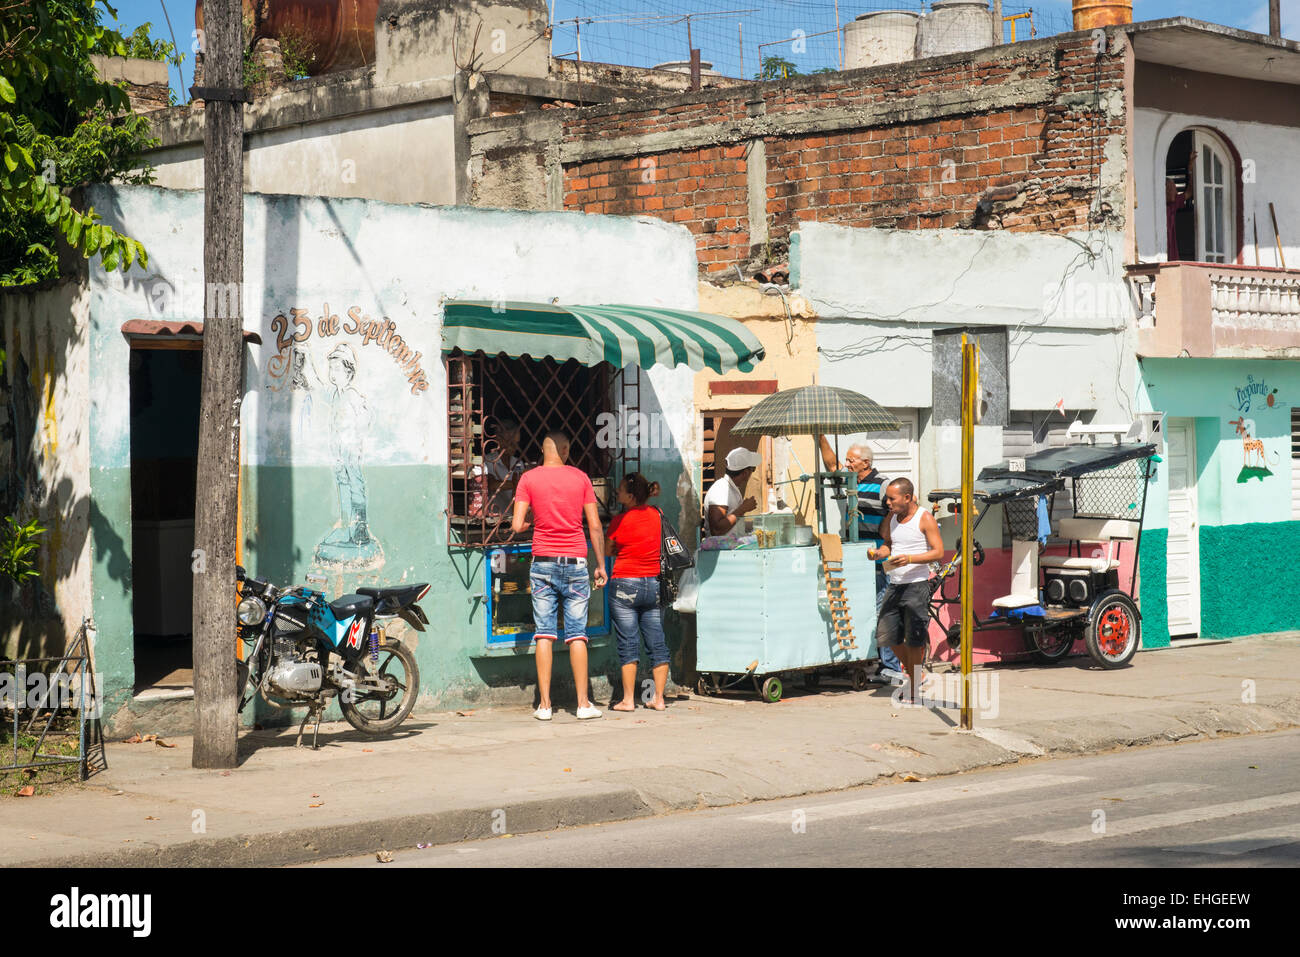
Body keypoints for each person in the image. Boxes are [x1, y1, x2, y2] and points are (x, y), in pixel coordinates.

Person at [511, 432, 607, 721]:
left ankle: (544, 706)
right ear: (565, 449)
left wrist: (535, 521)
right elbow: (594, 525)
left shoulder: (528, 479)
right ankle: (582, 704)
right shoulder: (580, 478)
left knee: (544, 633)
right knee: (577, 633)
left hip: (542, 563)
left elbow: (517, 524)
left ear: (543, 451)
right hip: (576, 563)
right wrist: (600, 564)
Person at [817, 435, 902, 680]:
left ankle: (891, 667)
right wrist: (820, 435)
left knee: (882, 612)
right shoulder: (850, 481)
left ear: (866, 462)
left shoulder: (883, 484)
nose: (847, 464)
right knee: (864, 612)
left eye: (852, 460)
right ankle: (873, 661)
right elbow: (831, 467)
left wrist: (887, 532)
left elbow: (902, 507)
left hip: (878, 561)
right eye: (847, 460)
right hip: (858, 560)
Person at [870, 477, 945, 703]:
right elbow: (889, 545)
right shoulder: (892, 518)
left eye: (892, 499)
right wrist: (880, 553)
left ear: (907, 497)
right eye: (887, 499)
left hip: (916, 585)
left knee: (914, 639)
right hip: (895, 583)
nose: (887, 503)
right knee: (886, 635)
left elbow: (938, 552)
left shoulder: (924, 518)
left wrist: (911, 558)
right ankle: (916, 674)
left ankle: (912, 686)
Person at [606, 473, 670, 712]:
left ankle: (628, 700)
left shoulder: (619, 521)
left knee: (628, 643)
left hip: (625, 583)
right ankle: (659, 699)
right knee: (657, 642)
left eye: (621, 490)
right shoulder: (658, 514)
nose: (617, 493)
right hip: (654, 583)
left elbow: (609, 550)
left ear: (630, 496)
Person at [704, 447, 760, 536]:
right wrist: (743, 509)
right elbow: (716, 530)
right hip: (722, 548)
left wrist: (758, 525)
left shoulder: (731, 488)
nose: (752, 472)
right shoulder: (721, 489)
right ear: (745, 472)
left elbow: (732, 522)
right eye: (752, 469)